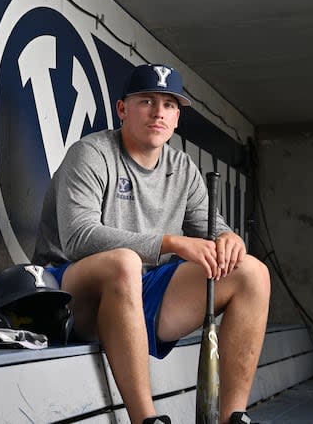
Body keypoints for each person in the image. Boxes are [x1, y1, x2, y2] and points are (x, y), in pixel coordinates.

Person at [32, 64, 270, 424]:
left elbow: (213, 229)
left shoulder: (182, 168)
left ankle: (231, 417)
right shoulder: (91, 154)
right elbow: (79, 238)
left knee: (252, 272)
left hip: (139, 293)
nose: (159, 112)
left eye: (170, 104)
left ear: (177, 117)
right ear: (122, 109)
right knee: (124, 262)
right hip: (71, 296)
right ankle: (146, 419)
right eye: (147, 101)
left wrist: (228, 237)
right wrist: (172, 243)